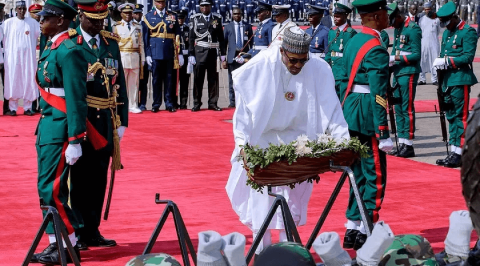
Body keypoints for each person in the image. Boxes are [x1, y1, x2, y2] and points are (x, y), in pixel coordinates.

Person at [226, 26, 350, 255]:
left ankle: (289, 253)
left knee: (290, 203)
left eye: (303, 61)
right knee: (261, 205)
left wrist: (343, 143)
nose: (298, 66)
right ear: (282, 51)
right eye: (293, 60)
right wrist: (242, 146)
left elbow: (331, 109)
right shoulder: (260, 66)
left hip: (299, 141)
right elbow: (243, 114)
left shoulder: (318, 68)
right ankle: (261, 254)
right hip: (263, 142)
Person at [69, 0, 129, 250]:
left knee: (98, 178)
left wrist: (122, 121)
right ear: (80, 15)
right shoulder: (71, 43)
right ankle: (79, 230)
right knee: (80, 179)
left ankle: (92, 230)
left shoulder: (110, 43)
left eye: (102, 20)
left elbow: (121, 82)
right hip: (82, 121)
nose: (97, 24)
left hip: (105, 121)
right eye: (93, 20)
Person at [29, 0, 84, 263]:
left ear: (61, 20)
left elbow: (75, 97)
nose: (41, 22)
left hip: (61, 127)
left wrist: (75, 138)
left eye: (45, 18)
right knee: (49, 187)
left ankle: (63, 243)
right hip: (48, 125)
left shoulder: (68, 50)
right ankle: (67, 240)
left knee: (50, 188)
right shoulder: (53, 46)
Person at [341, 0, 392, 250]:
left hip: (350, 108)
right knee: (375, 174)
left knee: (357, 173)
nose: (387, 17)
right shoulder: (376, 48)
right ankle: (367, 227)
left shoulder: (352, 41)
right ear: (374, 15)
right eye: (384, 13)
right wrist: (383, 130)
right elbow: (379, 92)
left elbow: (341, 77)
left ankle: (352, 226)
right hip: (367, 113)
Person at [434, 1, 478, 168]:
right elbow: (442, 53)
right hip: (447, 79)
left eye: (447, 21)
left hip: (460, 78)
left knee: (461, 116)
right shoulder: (448, 32)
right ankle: (453, 151)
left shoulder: (467, 32)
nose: (445, 26)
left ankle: (460, 152)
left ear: (454, 17)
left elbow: (468, 57)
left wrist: (447, 61)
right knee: (451, 116)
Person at [388, 2, 422, 158]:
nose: (392, 24)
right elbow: (397, 47)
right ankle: (402, 142)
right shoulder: (398, 28)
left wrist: (395, 57)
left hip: (408, 72)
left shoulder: (413, 29)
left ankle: (408, 144)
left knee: (406, 108)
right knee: (398, 109)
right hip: (398, 72)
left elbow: (416, 55)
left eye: (392, 20)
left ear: (399, 16)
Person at [143, 0, 183, 113]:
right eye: (159, 2)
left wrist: (179, 53)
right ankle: (156, 103)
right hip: (155, 52)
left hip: (169, 52)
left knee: (169, 79)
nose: (161, 4)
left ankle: (169, 103)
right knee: (156, 80)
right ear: (155, 3)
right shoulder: (149, 16)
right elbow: (146, 38)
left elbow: (177, 34)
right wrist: (148, 54)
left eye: (163, 2)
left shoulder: (172, 15)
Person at [3, 0, 40, 116]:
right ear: (15, 10)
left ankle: (28, 107)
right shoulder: (8, 23)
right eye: (19, 9)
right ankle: (12, 108)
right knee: (13, 79)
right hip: (13, 58)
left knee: (28, 79)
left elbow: (38, 36)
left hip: (28, 58)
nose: (22, 11)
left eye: (23, 9)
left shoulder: (32, 23)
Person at [188, 0, 226, 112]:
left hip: (213, 52)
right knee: (198, 79)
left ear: (210, 6)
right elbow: (191, 38)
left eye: (207, 6)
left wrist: (223, 53)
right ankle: (197, 103)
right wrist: (191, 54)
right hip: (199, 52)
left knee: (213, 79)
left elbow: (221, 38)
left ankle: (213, 102)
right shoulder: (195, 19)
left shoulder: (217, 19)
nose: (204, 8)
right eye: (202, 6)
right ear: (200, 7)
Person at [113, 3, 145, 114]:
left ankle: (133, 104)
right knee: (122, 83)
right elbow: (114, 45)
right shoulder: (116, 27)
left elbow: (141, 43)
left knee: (134, 84)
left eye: (129, 13)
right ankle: (122, 104)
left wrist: (143, 58)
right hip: (123, 56)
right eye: (125, 13)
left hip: (135, 56)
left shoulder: (137, 26)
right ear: (121, 14)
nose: (128, 15)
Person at [324, 2, 356, 99]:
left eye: (338, 16)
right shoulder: (332, 32)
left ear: (345, 16)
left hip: (344, 73)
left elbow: (351, 55)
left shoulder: (350, 33)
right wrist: (325, 65)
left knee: (343, 100)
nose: (335, 19)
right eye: (334, 16)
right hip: (333, 72)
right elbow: (329, 52)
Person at [222, 7, 253, 108]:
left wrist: (251, 57)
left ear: (241, 15)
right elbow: (223, 44)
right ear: (232, 15)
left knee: (245, 80)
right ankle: (232, 102)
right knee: (232, 81)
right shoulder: (228, 27)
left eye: (239, 14)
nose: (237, 16)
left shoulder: (247, 26)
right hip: (232, 57)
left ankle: (244, 101)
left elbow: (252, 43)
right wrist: (223, 60)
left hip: (244, 57)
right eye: (235, 14)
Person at [418, 2, 440, 85]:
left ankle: (434, 79)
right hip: (423, 43)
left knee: (434, 60)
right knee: (422, 60)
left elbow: (438, 31)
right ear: (424, 10)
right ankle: (422, 79)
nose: (427, 11)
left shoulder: (436, 19)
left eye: (429, 9)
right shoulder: (421, 19)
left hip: (433, 43)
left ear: (432, 9)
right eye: (426, 10)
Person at [132, 3, 149, 111]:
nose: (137, 15)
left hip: (144, 56)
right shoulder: (131, 25)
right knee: (133, 82)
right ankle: (133, 103)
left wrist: (148, 56)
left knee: (143, 82)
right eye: (136, 13)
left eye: (139, 13)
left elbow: (148, 41)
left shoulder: (146, 25)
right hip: (133, 56)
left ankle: (142, 103)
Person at [175, 9, 191, 109]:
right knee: (174, 82)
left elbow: (191, 43)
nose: (180, 20)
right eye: (179, 18)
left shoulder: (188, 29)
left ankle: (183, 103)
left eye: (182, 18)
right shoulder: (173, 28)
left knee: (185, 81)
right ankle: (174, 102)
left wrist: (190, 56)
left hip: (185, 56)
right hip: (175, 57)